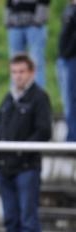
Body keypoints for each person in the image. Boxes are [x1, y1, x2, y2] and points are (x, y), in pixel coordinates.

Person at [0, 53, 52, 232]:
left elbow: (44, 132)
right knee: (11, 219)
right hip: (6, 170)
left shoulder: (39, 98)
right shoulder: (8, 99)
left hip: (27, 168)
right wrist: (1, 158)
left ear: (32, 73)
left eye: (21, 71)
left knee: (28, 218)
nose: (17, 76)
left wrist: (19, 154)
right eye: (14, 72)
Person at [5, 0, 50, 88]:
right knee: (15, 62)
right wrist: (8, 20)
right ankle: (15, 97)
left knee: (37, 62)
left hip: (35, 25)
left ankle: (38, 96)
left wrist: (38, 20)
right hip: (15, 25)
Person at [58, 0, 76, 142]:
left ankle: (73, 138)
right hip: (64, 59)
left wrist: (68, 53)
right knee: (67, 100)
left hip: (72, 59)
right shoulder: (69, 8)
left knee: (72, 100)